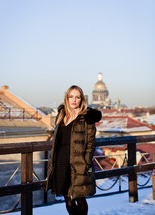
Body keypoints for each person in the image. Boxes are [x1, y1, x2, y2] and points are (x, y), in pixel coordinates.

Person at [46, 85, 102, 215]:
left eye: (77, 97)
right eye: (71, 96)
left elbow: (91, 143)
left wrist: (86, 161)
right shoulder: (61, 115)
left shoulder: (87, 117)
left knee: (80, 199)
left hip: (78, 163)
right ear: (67, 97)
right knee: (68, 200)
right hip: (61, 161)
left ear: (81, 99)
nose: (74, 100)